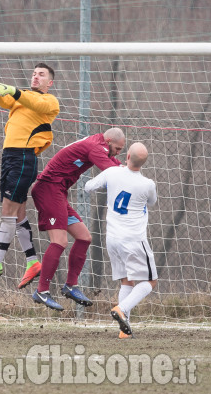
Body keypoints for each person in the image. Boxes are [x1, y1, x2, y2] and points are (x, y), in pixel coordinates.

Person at [0, 64, 60, 290]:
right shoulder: (23, 97)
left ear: (49, 83)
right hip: (10, 157)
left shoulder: (49, 101)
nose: (36, 76)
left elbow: (32, 101)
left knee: (7, 211)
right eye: (34, 73)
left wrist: (11, 89)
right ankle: (32, 262)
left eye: (41, 74)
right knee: (19, 212)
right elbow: (6, 100)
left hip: (23, 158)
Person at [30, 127, 126, 311]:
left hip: (58, 191)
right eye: (118, 148)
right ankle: (42, 291)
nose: (119, 152)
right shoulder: (96, 147)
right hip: (48, 189)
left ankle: (71, 286)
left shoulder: (99, 144)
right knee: (59, 241)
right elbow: (110, 171)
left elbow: (114, 163)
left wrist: (128, 168)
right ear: (108, 142)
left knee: (84, 237)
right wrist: (132, 175)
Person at [84, 142, 158, 338]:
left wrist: (110, 186)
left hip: (113, 239)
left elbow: (88, 186)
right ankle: (121, 308)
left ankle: (124, 331)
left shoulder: (111, 172)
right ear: (143, 163)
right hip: (133, 239)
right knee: (151, 281)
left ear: (127, 157)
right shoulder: (147, 184)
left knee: (127, 280)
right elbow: (152, 202)